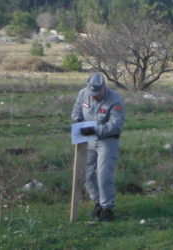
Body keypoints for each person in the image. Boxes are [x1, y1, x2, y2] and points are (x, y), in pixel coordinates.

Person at [71, 73, 125, 222]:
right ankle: (98, 204)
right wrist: (77, 119)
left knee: (103, 175)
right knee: (86, 174)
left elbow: (115, 126)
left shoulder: (115, 100)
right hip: (88, 139)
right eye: (91, 93)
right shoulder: (83, 94)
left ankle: (108, 208)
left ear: (104, 88)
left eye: (97, 93)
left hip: (107, 140)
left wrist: (95, 130)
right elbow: (77, 109)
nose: (94, 96)